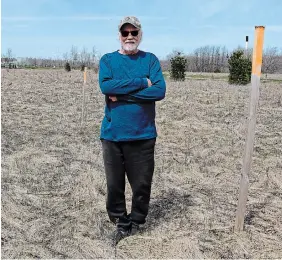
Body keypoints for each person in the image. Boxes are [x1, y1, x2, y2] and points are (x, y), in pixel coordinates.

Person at [98, 16, 166, 245]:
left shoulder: (150, 60)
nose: (129, 37)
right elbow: (106, 86)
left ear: (140, 35)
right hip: (112, 135)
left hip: (143, 134)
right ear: (119, 35)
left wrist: (123, 95)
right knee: (114, 184)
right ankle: (120, 221)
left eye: (133, 33)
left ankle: (137, 220)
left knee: (142, 184)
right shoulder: (107, 60)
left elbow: (159, 91)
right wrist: (141, 82)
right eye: (125, 33)